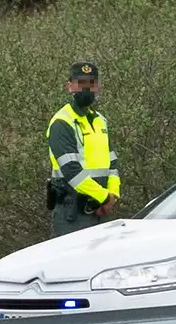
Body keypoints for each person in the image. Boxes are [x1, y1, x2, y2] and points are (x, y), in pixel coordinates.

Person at [45, 61, 120, 237]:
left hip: (100, 211)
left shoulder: (100, 120)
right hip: (72, 213)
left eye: (91, 83)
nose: (87, 88)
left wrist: (113, 194)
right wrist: (104, 197)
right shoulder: (62, 122)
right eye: (81, 84)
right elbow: (72, 171)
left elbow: (113, 162)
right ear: (70, 87)